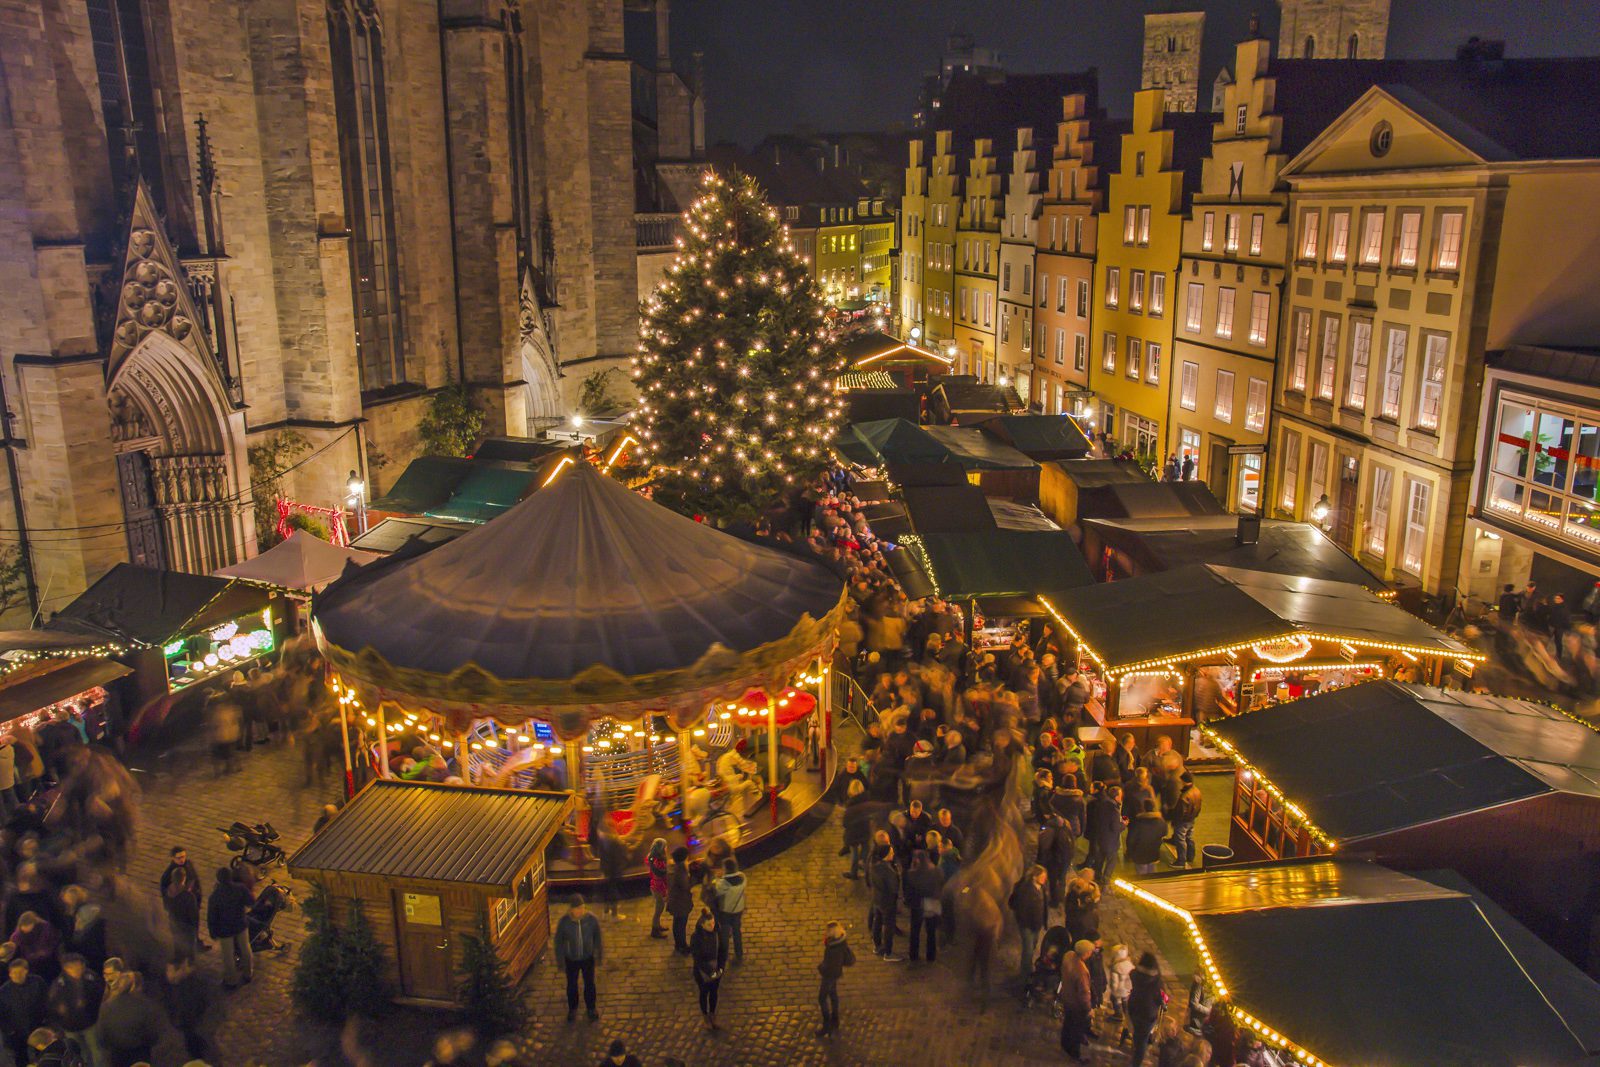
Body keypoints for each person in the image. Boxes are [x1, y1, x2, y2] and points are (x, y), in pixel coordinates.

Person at [96, 971, 163, 1067]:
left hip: (117, 1053)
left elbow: (101, 1034)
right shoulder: (144, 1004)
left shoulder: (106, 1006)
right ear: (133, 987)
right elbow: (152, 1031)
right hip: (140, 1051)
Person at [45, 954, 101, 1067]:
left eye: (80, 966)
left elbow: (100, 995)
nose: (79, 969)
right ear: (66, 969)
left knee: (97, 1051)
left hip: (91, 1024)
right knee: (78, 1052)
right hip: (70, 1027)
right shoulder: (58, 986)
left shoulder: (91, 978)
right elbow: (52, 1007)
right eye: (74, 967)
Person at [553, 895, 602, 1021]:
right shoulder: (564, 922)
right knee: (572, 985)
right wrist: (560, 961)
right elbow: (558, 942)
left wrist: (598, 955)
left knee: (590, 984)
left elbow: (597, 938)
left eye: (582, 908)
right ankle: (572, 1009)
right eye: (577, 908)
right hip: (571, 959)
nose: (580, 911)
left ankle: (591, 1008)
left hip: (587, 958)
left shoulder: (591, 920)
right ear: (571, 909)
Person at [205, 868, 252, 989]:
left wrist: (212, 931)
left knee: (228, 955)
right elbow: (251, 902)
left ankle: (231, 981)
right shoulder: (240, 888)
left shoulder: (215, 896)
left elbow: (212, 916)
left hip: (224, 929)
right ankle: (248, 974)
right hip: (240, 924)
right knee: (245, 949)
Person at [162, 958, 210, 1062]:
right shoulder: (174, 986)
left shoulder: (187, 986)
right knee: (191, 1038)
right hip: (186, 1022)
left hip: (188, 1020)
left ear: (180, 971)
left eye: (170, 971)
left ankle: (198, 1054)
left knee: (192, 1039)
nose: (167, 974)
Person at [0, 958, 46, 1067]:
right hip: (17, 1033)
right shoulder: (4, 991)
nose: (17, 975)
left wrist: (46, 1020)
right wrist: (9, 1030)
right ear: (10, 974)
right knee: (21, 1058)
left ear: (26, 971)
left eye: (20, 972)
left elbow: (45, 1000)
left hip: (37, 1027)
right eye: (14, 973)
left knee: (43, 1054)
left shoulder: (37, 982)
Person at [815, 920, 855, 1037]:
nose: (825, 932)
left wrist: (821, 968)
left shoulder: (833, 948)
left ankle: (827, 1024)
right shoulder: (839, 942)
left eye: (827, 931)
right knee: (833, 995)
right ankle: (835, 1019)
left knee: (822, 998)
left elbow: (829, 966)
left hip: (829, 975)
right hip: (835, 973)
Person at [1008, 864, 1047, 982]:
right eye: (1043, 876)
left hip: (1036, 924)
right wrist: (1023, 920)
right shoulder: (1025, 890)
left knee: (1033, 945)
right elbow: (1015, 905)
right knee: (1028, 950)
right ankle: (1025, 975)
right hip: (1027, 925)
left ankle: (1027, 969)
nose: (1045, 879)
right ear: (1035, 877)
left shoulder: (1042, 887)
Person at [1128, 950, 1166, 1066]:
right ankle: (1136, 1061)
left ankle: (1136, 1044)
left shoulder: (1134, 974)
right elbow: (1159, 998)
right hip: (1148, 1013)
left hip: (1134, 1007)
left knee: (1137, 1031)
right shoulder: (1156, 981)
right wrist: (1163, 1004)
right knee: (1143, 1038)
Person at [1059, 939, 1096, 1062]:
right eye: (1090, 952)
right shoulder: (1081, 971)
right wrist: (1088, 1009)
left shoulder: (1068, 955)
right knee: (1075, 1028)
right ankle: (1075, 1053)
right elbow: (1084, 994)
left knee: (1068, 1022)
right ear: (1085, 954)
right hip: (1076, 1004)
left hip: (1066, 996)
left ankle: (1064, 1043)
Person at [688, 908, 724, 1030]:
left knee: (714, 992)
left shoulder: (718, 932)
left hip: (716, 968)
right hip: (702, 971)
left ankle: (712, 1015)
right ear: (702, 925)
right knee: (704, 993)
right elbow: (697, 958)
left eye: (713, 923)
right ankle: (705, 1017)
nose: (712, 926)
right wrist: (710, 971)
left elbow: (722, 951)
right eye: (709, 924)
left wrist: (721, 968)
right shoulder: (696, 937)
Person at [904, 849, 943, 964]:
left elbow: (908, 892)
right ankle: (931, 956)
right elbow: (940, 885)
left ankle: (913, 955)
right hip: (931, 903)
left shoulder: (911, 874)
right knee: (931, 931)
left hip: (917, 905)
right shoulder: (936, 871)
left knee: (915, 931)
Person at [1085, 784, 1125, 885]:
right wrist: (1124, 825)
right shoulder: (1114, 810)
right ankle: (1105, 882)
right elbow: (1115, 827)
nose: (1121, 798)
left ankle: (1096, 879)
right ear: (1116, 797)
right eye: (1120, 796)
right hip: (1110, 841)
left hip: (1100, 838)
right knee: (1111, 861)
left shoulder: (1102, 805)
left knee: (1099, 860)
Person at [867, 850, 903, 962]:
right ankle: (888, 952)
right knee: (889, 926)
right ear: (885, 855)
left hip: (877, 899)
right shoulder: (888, 870)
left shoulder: (874, 866)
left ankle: (877, 946)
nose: (893, 854)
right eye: (891, 852)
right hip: (887, 901)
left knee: (877, 921)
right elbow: (893, 887)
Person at [162, 864, 202, 962]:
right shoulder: (189, 896)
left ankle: (178, 964)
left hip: (174, 923)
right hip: (187, 926)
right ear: (184, 879)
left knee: (177, 945)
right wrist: (195, 929)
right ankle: (190, 967)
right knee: (190, 949)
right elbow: (194, 915)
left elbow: (166, 906)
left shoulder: (169, 891)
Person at [712, 857, 747, 966]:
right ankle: (739, 952)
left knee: (725, 933)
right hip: (738, 909)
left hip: (726, 911)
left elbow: (717, 891)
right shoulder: (743, 878)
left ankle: (724, 954)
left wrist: (716, 879)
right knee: (737, 931)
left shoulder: (723, 883)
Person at [840, 780, 873, 880]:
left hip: (853, 833)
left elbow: (845, 823)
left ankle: (854, 873)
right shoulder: (868, 801)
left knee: (854, 852)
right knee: (865, 848)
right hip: (865, 830)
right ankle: (865, 867)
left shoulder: (850, 805)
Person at [1125, 798, 1168, 876]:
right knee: (1152, 873)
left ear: (1144, 808)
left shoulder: (1138, 822)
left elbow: (1131, 840)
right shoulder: (1161, 821)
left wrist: (1130, 853)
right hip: (1153, 852)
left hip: (1140, 854)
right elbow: (1164, 833)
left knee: (1142, 875)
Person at [666, 846, 695, 955]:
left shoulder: (672, 867)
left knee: (677, 923)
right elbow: (685, 886)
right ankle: (682, 946)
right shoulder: (681, 869)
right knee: (681, 925)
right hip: (680, 902)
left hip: (675, 900)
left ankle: (678, 945)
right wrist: (693, 878)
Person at [1170, 776, 1203, 870]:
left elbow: (1180, 812)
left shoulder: (1185, 796)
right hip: (1192, 818)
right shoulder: (1196, 790)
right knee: (1189, 837)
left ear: (1184, 781)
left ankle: (1181, 861)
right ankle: (1190, 856)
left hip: (1183, 821)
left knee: (1180, 840)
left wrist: (1175, 821)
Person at [1106, 944, 1134, 1045]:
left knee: (1115, 1001)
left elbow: (1114, 982)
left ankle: (1118, 1014)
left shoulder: (1115, 967)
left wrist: (1113, 990)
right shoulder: (1129, 964)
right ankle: (1127, 1016)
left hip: (1118, 990)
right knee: (1125, 1003)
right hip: (1127, 990)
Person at [645, 838, 670, 940]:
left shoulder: (651, 858)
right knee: (659, 909)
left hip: (655, 885)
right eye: (665, 846)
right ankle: (654, 930)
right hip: (657, 886)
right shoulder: (658, 861)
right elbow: (662, 873)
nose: (666, 848)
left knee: (660, 907)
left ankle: (658, 926)